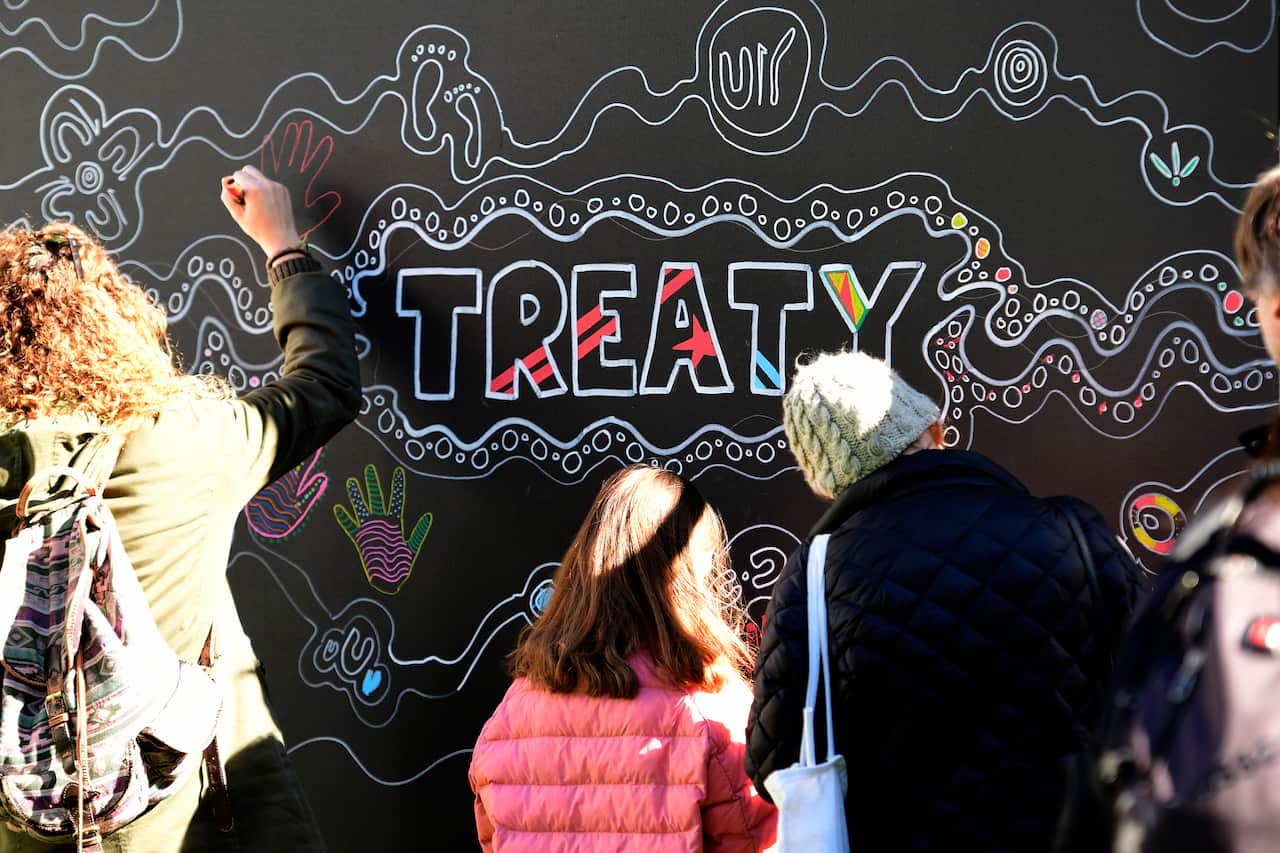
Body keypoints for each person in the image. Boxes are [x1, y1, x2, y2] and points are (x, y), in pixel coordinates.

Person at [0, 165, 360, 851]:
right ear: (115, 323)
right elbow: (324, 385)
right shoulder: (182, 440)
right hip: (190, 825)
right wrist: (284, 247)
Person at [745, 350, 1145, 853]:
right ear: (934, 429)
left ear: (830, 485)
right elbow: (1157, 682)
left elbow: (775, 764)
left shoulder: (814, 577)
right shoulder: (1072, 531)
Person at [469, 465, 777, 852]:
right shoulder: (708, 707)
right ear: (693, 575)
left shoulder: (512, 714)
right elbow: (759, 840)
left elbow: (493, 838)